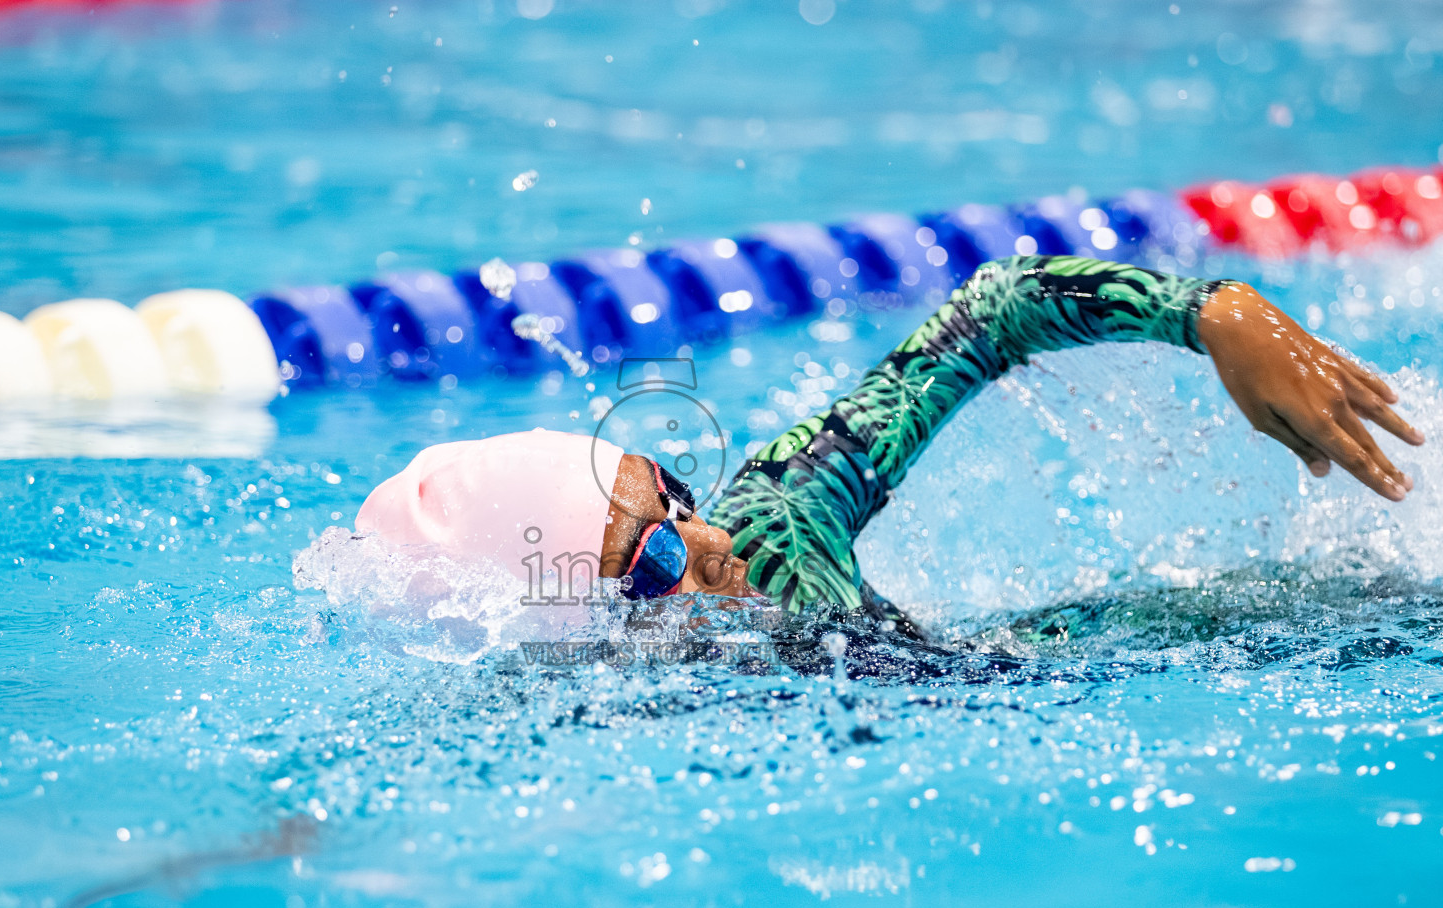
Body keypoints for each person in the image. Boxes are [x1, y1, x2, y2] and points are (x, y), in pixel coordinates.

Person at [356, 255, 1424, 636]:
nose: (704, 536)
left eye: (675, 495)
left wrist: (1214, 312)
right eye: (654, 561)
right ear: (561, 626)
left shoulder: (774, 526)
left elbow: (992, 312)